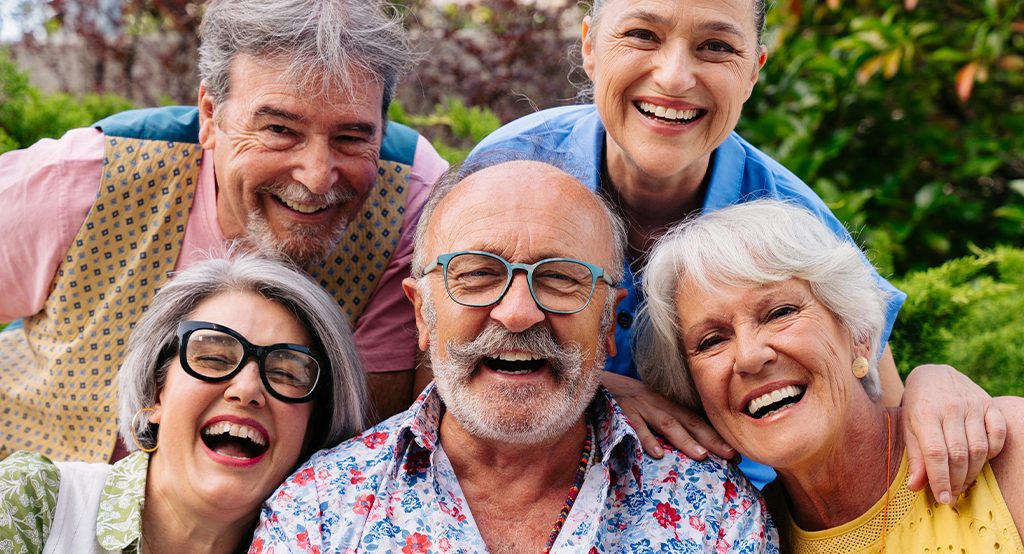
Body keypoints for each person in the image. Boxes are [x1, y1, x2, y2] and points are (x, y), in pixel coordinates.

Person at [467, 0, 1004, 499]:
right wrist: (600, 391)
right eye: (641, 35)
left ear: (753, 72)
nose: (675, 76)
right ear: (589, 45)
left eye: (717, 47)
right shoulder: (513, 167)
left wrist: (936, 383)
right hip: (522, 491)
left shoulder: (792, 218)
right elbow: (444, 347)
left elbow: (875, 406)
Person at [0, 0, 447, 463]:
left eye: (352, 138)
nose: (317, 177)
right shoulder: (86, 178)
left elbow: (377, 437)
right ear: (211, 116)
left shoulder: (413, 205)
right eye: (279, 129)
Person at [251, 160, 779, 553]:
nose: (519, 313)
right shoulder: (318, 513)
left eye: (560, 278)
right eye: (478, 274)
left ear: (608, 321)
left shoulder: (715, 517)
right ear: (421, 315)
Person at [637, 199, 1023, 552]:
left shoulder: (1005, 451)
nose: (750, 357)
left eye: (780, 313)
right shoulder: (737, 534)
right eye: (711, 341)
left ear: (858, 335)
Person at [0, 253, 368, 553]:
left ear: (311, 430)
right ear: (154, 392)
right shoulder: (34, 500)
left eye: (287, 372)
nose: (247, 389)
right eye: (213, 357)